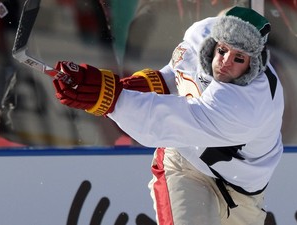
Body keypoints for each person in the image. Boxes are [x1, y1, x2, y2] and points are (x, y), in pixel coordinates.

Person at [53, 6, 284, 225]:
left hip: (242, 193)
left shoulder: (248, 106)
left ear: (253, 65)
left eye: (239, 59)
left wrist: (107, 96)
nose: (225, 62)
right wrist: (134, 86)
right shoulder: (199, 39)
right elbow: (175, 77)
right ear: (214, 42)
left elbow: (166, 122)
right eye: (222, 50)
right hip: (185, 166)